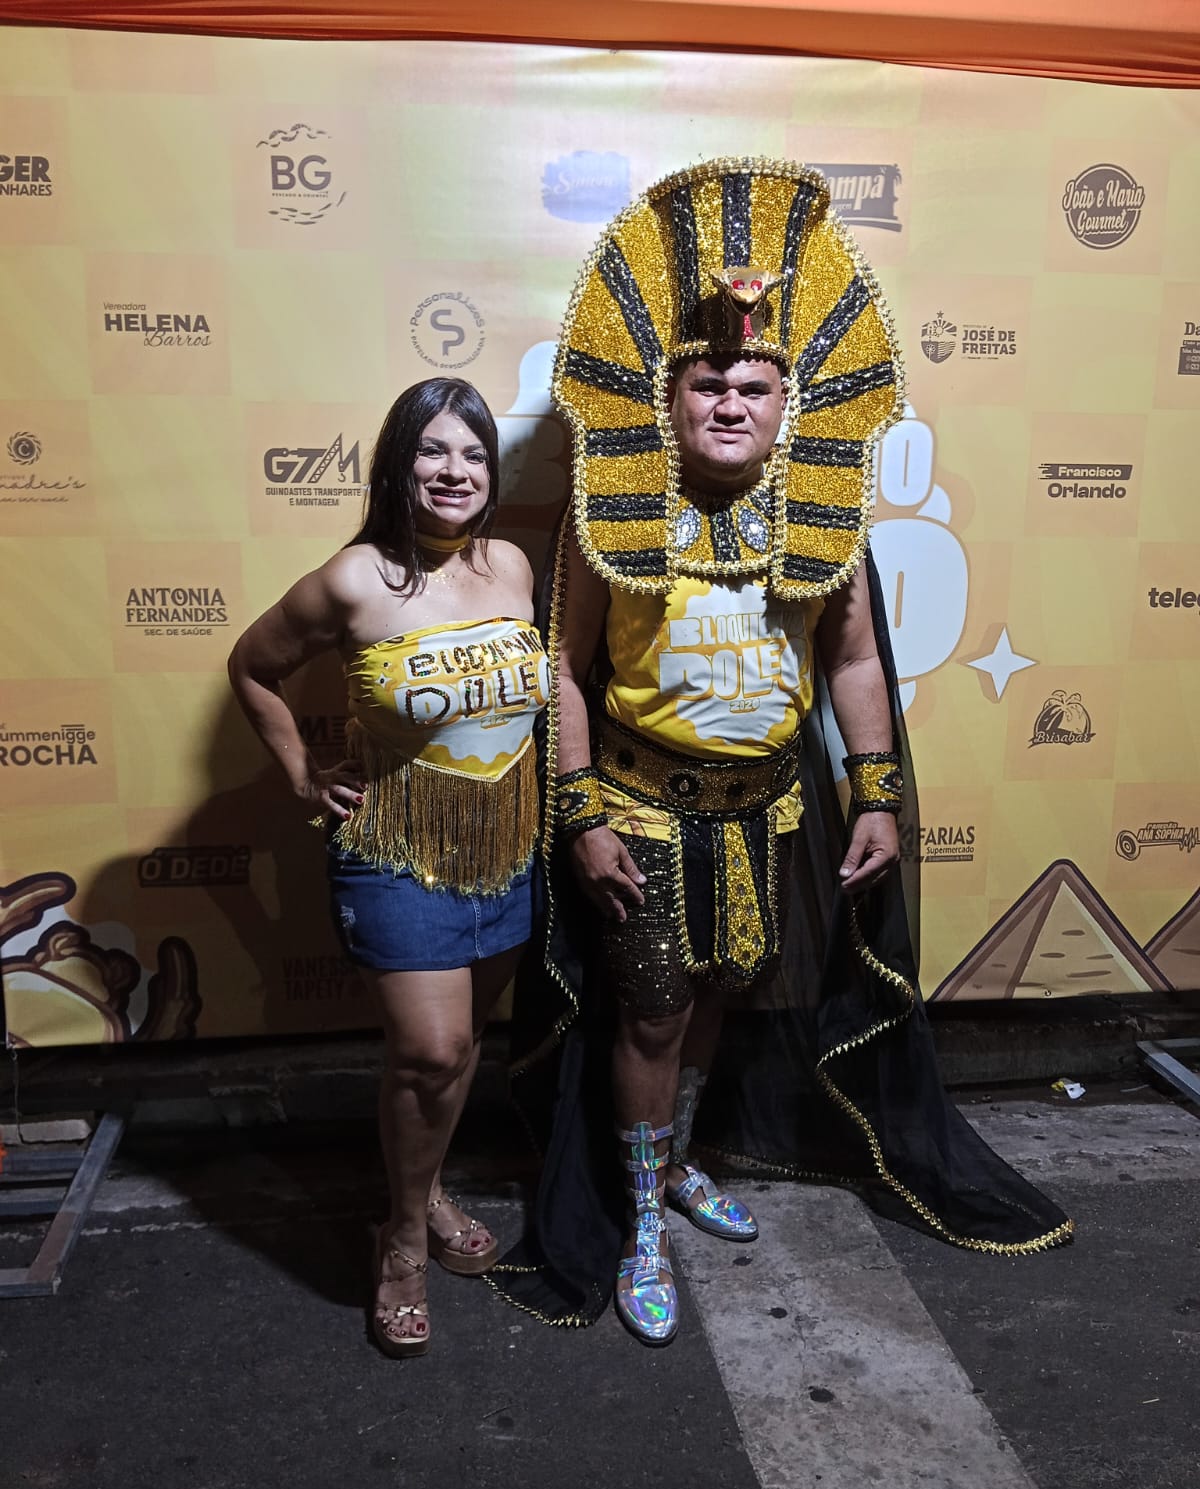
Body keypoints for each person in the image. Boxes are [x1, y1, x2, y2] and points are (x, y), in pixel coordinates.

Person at [488, 157, 1071, 1344]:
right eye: (707, 383)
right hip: (642, 807)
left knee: (719, 992)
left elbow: (854, 662)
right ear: (670, 396)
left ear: (785, 399)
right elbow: (563, 667)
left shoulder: (825, 513)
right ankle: (641, 1223)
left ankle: (678, 1163)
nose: (729, 404)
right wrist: (582, 814)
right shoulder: (607, 508)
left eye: (752, 384)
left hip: (770, 809)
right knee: (651, 1014)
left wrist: (878, 794)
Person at [228, 377, 548, 1358]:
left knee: (463, 1048)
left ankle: (430, 1186)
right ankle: (403, 1239)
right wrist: (301, 773)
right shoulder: (353, 579)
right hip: (397, 853)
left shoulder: (511, 565)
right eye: (433, 451)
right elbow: (252, 667)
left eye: (474, 454)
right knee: (432, 1051)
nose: (456, 471)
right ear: (397, 464)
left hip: (506, 849)